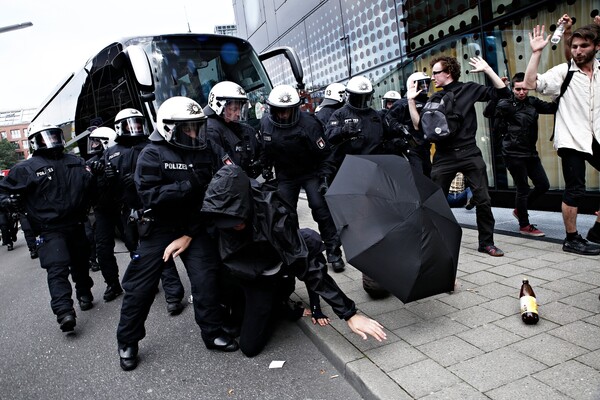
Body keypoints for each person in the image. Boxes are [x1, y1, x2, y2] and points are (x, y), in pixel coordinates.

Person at [172, 164, 387, 357]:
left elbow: (308, 267)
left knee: (249, 347)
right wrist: (187, 235)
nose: (233, 226)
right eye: (227, 222)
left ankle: (276, 304)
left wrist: (349, 314)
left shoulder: (273, 215)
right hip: (237, 273)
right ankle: (250, 305)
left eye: (237, 221)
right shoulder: (216, 208)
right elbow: (201, 219)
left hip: (264, 276)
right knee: (231, 317)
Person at [116, 96, 238, 372]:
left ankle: (212, 331)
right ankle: (128, 340)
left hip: (193, 226)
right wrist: (187, 186)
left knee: (206, 278)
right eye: (188, 128)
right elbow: (147, 195)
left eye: (197, 126)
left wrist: (192, 230)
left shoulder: (206, 149)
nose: (194, 133)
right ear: (170, 128)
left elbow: (221, 183)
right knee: (140, 287)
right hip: (158, 227)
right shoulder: (151, 153)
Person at [407, 56, 511, 257]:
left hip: (469, 152)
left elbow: (503, 92)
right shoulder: (434, 98)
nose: (432, 77)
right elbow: (418, 126)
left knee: (483, 200)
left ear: (448, 73)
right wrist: (411, 100)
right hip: (443, 156)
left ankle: (486, 243)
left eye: (435, 73)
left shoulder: (469, 89)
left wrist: (488, 69)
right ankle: (434, 242)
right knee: (435, 201)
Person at [0, 124, 96, 332]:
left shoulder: (76, 162)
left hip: (77, 223)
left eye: (53, 136)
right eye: (44, 138)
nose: (50, 141)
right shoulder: (26, 168)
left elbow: (92, 186)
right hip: (50, 227)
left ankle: (84, 293)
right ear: (34, 142)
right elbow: (3, 190)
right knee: (57, 268)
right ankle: (64, 312)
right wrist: (8, 200)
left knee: (80, 263)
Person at [523, 22, 600, 255]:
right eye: (574, 46)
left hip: (596, 137)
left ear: (596, 46)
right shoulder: (563, 72)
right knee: (575, 189)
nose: (578, 50)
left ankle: (597, 230)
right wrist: (536, 53)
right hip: (571, 139)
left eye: (583, 46)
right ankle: (572, 239)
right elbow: (530, 84)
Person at [103, 109, 186, 309]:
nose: (135, 129)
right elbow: (106, 191)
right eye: (130, 125)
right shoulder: (111, 153)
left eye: (138, 124)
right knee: (134, 248)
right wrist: (109, 179)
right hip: (127, 209)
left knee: (160, 250)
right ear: (119, 128)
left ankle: (173, 296)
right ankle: (149, 284)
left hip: (151, 207)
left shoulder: (150, 146)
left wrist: (140, 179)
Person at [260, 84, 344, 273]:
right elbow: (266, 149)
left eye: (287, 111)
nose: (283, 116)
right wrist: (265, 166)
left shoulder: (309, 124)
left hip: (310, 173)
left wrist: (324, 177)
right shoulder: (266, 123)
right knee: (286, 215)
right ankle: (297, 251)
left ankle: (333, 252)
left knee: (320, 207)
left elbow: (326, 155)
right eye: (279, 111)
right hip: (285, 176)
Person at [325, 75, 389, 297]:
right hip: (349, 175)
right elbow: (329, 140)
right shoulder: (339, 115)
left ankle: (377, 275)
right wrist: (343, 132)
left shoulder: (375, 116)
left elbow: (384, 140)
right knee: (353, 225)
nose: (362, 101)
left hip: (374, 173)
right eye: (358, 97)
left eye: (365, 97)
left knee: (375, 224)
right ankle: (335, 253)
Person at [484, 72, 556, 237]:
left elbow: (552, 108)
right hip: (512, 152)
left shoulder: (532, 102)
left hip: (530, 152)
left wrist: (556, 91)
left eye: (524, 89)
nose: (521, 93)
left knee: (543, 185)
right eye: (517, 89)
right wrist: (497, 92)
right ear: (513, 88)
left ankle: (520, 209)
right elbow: (488, 113)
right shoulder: (506, 103)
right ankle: (524, 224)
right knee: (522, 188)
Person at [204, 81, 262, 177]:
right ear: (219, 106)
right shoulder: (211, 131)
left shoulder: (242, 128)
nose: (238, 114)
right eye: (234, 109)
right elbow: (226, 170)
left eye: (240, 109)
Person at [384, 72, 433, 177]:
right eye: (422, 84)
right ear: (412, 84)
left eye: (427, 84)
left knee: (428, 175)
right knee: (417, 176)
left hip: (425, 146)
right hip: (410, 147)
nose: (425, 87)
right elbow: (388, 120)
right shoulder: (402, 103)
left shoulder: (429, 102)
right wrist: (400, 128)